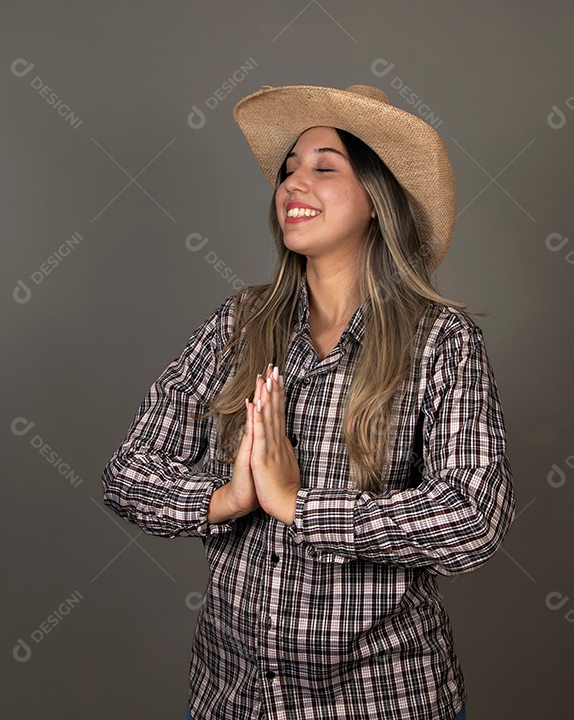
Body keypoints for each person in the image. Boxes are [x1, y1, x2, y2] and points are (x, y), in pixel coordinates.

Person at [101, 83, 515, 720]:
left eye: (325, 168)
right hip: (234, 700)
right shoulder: (239, 324)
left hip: (382, 702)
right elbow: (127, 475)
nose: (292, 182)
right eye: (289, 169)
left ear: (377, 199)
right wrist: (227, 499)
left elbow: (474, 519)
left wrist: (300, 506)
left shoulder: (440, 340)